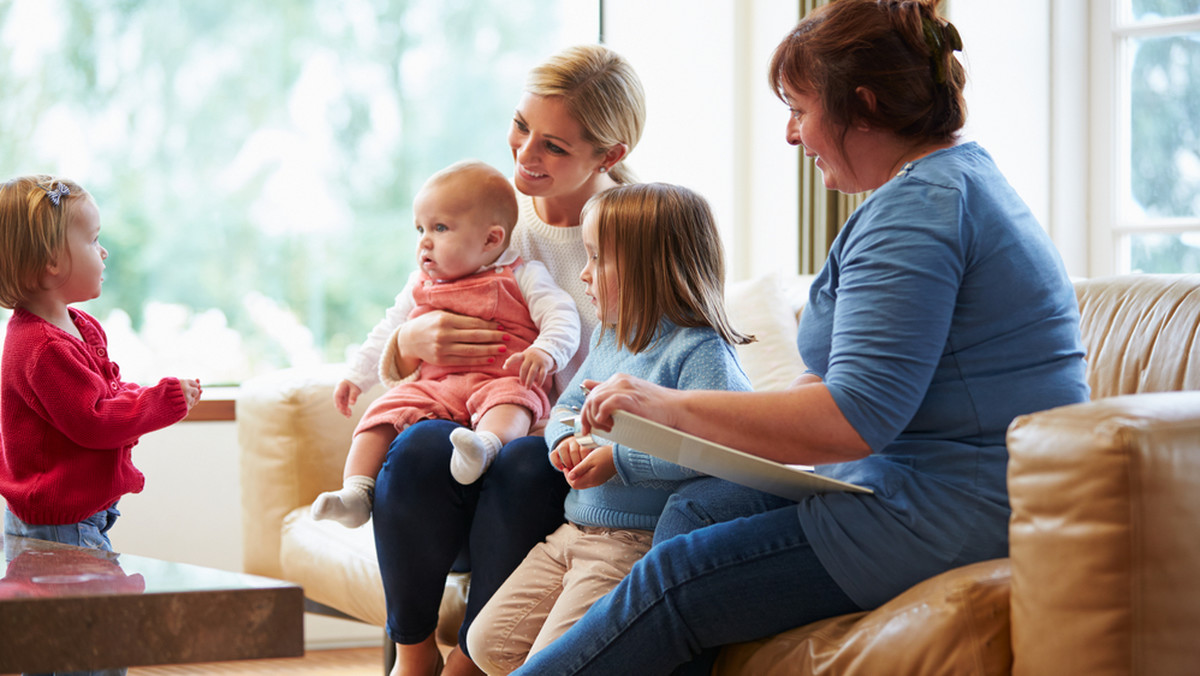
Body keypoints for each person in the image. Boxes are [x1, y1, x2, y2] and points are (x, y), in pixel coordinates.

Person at [512, 2, 1092, 674]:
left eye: (798, 108)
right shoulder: (938, 187)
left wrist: (662, 407)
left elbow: (855, 418)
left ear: (863, 105)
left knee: (676, 580)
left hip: (943, 512)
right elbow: (838, 378)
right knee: (697, 506)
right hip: (909, 485)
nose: (792, 135)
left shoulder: (917, 215)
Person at [370, 45, 645, 676]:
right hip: (471, 427)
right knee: (416, 451)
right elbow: (404, 312)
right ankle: (412, 655)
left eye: (554, 146)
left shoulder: (635, 231)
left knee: (525, 462)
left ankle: (471, 660)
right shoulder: (492, 211)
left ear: (610, 155)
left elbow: (657, 357)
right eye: (522, 127)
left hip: (561, 448)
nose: (524, 155)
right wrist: (405, 347)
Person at [467, 183, 754, 675]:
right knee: (487, 645)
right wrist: (563, 443)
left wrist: (617, 460)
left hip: (629, 547)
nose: (583, 274)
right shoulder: (610, 337)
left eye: (598, 259)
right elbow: (566, 408)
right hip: (572, 531)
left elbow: (713, 451)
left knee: (552, 664)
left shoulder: (700, 352)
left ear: (651, 268)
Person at [0, 175, 202, 676]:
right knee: (88, 648)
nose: (104, 251)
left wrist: (147, 395)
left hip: (78, 519)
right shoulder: (41, 347)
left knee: (75, 644)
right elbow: (93, 421)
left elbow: (106, 395)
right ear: (50, 262)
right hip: (57, 527)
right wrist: (164, 400)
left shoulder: (80, 327)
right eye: (91, 240)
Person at [311, 161, 580, 528]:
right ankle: (357, 492)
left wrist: (546, 350)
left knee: (516, 403)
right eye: (420, 228)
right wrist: (356, 376)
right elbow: (388, 327)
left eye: (440, 228)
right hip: (436, 387)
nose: (424, 241)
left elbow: (562, 316)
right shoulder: (419, 283)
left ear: (491, 239)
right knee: (385, 411)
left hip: (499, 378)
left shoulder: (523, 274)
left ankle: (484, 447)